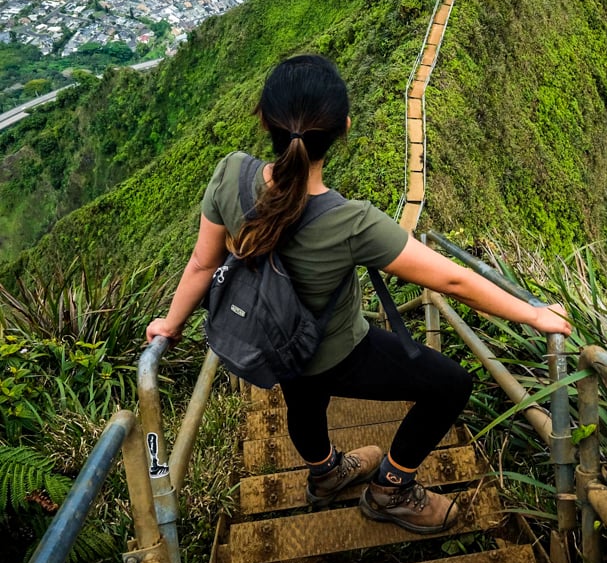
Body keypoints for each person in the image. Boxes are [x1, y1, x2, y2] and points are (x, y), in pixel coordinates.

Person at [146, 53, 570, 535]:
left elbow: (202, 262)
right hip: (337, 351)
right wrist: (534, 315)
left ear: (263, 118)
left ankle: (326, 474)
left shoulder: (230, 174)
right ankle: (391, 488)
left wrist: (170, 325)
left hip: (272, 344)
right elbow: (452, 280)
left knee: (304, 403)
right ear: (345, 127)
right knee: (451, 385)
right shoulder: (352, 222)